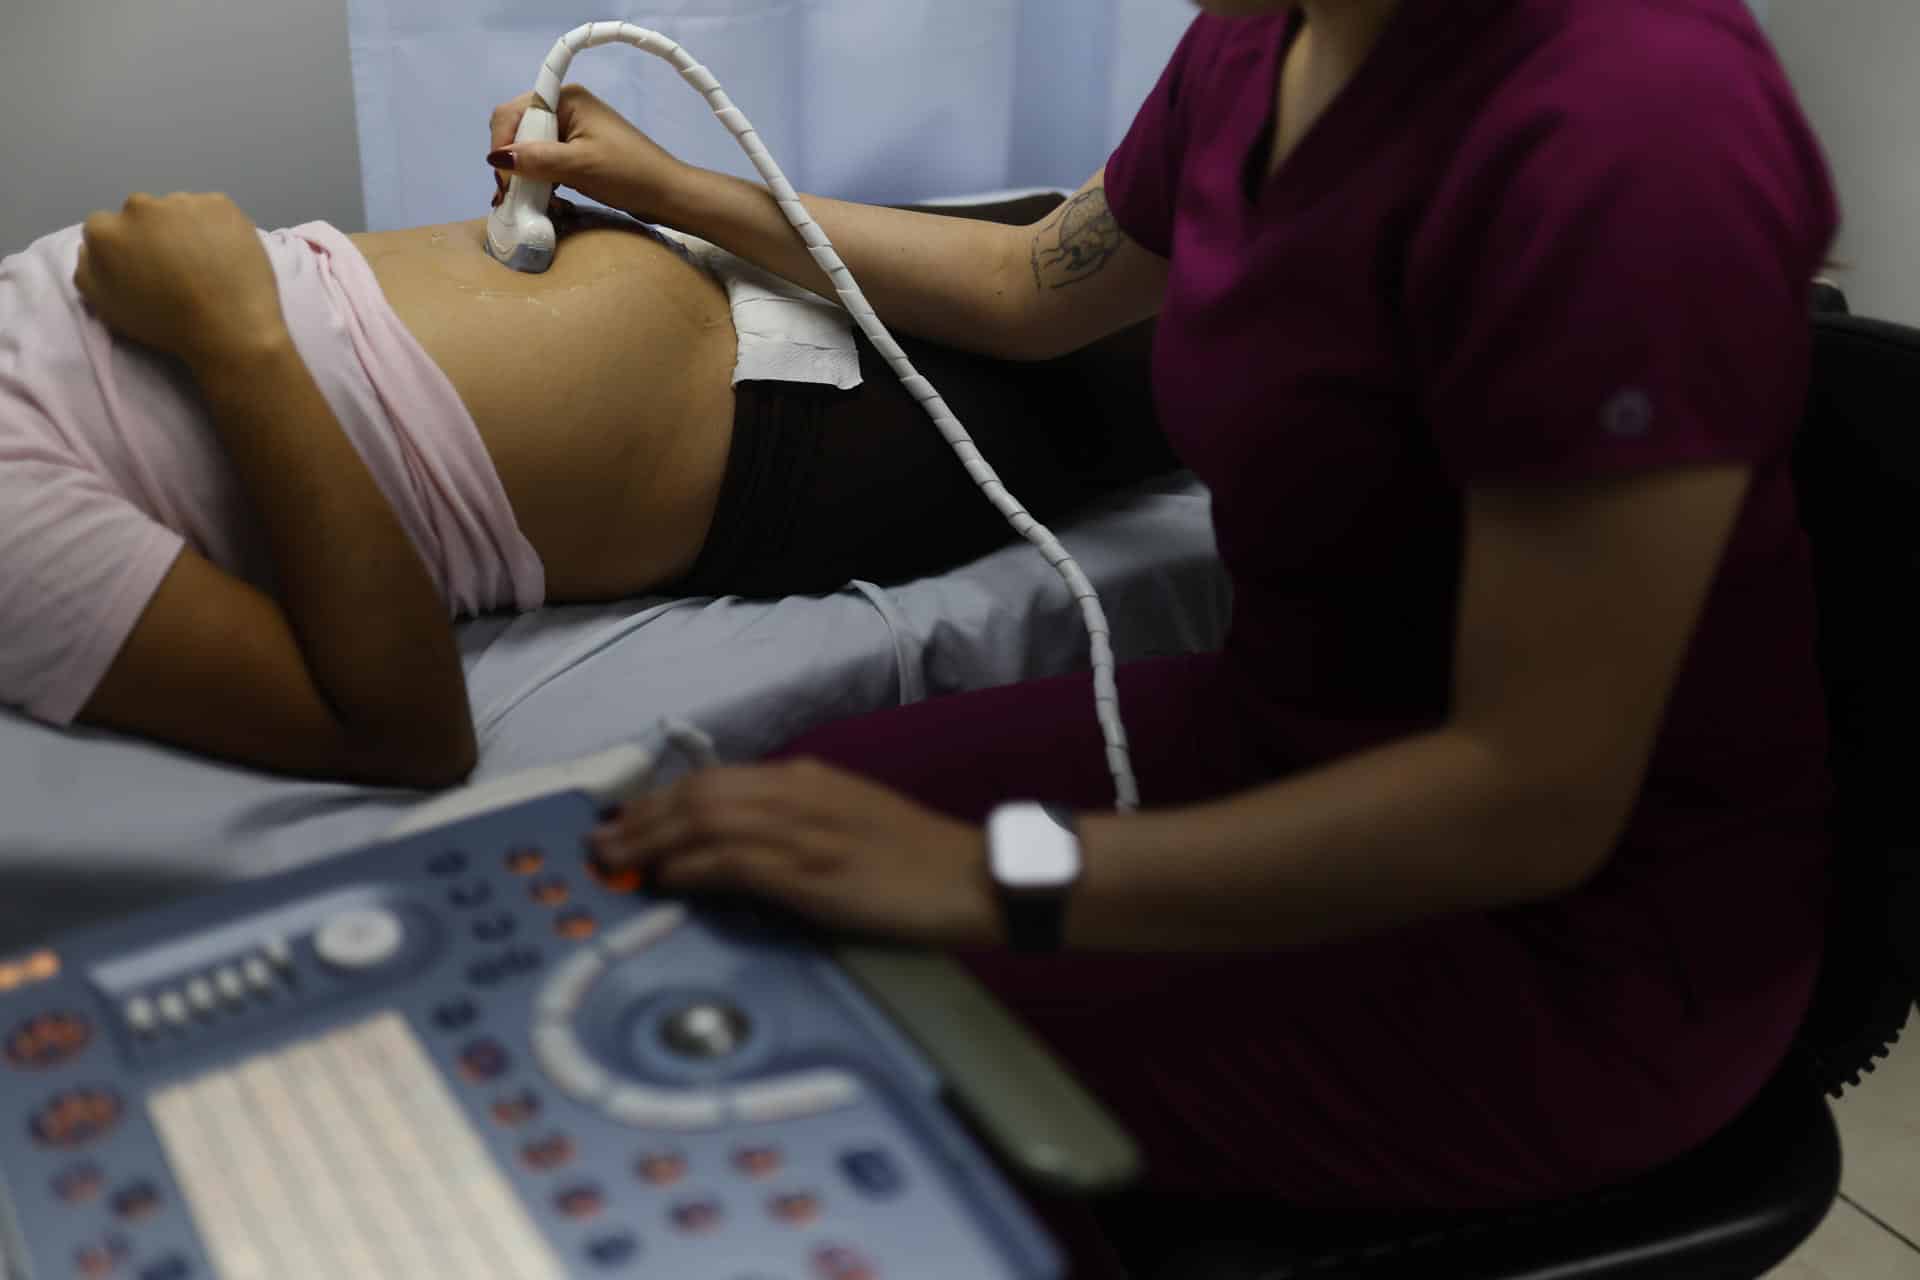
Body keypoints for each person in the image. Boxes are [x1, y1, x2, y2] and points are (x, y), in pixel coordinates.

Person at [564, 0, 1842, 1261]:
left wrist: (992, 874)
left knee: (879, 1045)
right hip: (1281, 734)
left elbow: (1533, 794)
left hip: (1560, 949)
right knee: (769, 831)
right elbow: (1028, 284)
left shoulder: (1633, 135)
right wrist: (676, 190)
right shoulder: (1276, 32)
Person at [0, 190, 1173, 786]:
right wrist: (234, 331)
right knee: (1263, 299)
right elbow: (400, 731)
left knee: (1170, 215)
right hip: (781, 431)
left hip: (746, 257)